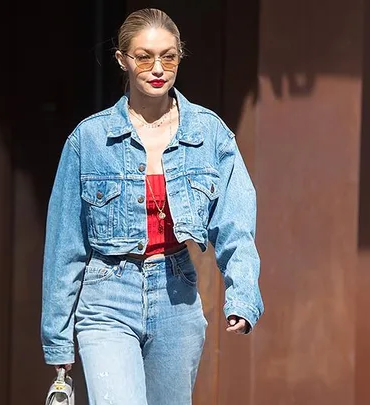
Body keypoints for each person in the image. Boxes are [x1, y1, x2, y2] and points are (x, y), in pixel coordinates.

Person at [41, 7, 263, 405]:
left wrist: (242, 294)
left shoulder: (209, 133)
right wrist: (58, 341)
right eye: (144, 56)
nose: (158, 67)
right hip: (106, 296)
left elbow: (236, 223)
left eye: (169, 56)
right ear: (122, 59)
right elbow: (64, 247)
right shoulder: (88, 140)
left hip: (176, 296)